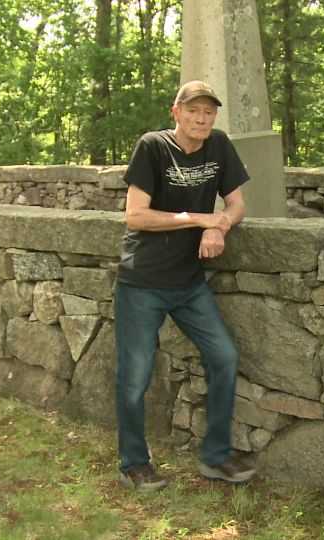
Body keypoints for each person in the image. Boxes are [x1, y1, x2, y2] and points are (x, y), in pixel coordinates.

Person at [114, 80, 255, 491]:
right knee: (134, 376)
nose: (202, 118)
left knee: (224, 357)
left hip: (189, 282)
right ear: (176, 112)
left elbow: (237, 202)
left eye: (209, 111)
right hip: (142, 282)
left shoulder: (219, 145)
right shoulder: (153, 147)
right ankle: (134, 465)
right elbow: (135, 217)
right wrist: (198, 219)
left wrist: (221, 227)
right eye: (193, 110)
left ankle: (215, 457)